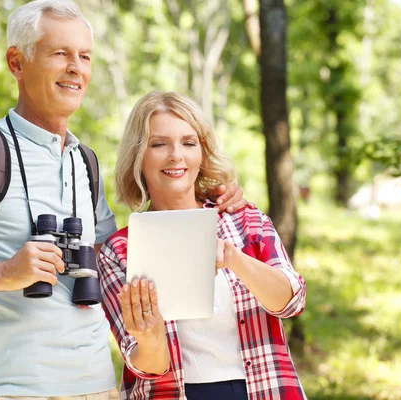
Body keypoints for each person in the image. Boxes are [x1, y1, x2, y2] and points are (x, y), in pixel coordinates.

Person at [0, 2, 247, 399]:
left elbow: (122, 262)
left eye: (84, 56)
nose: (76, 68)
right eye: (60, 53)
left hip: (97, 384)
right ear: (17, 62)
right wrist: (1, 275)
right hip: (8, 385)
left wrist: (208, 198)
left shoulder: (85, 163)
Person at [98, 91, 307, 400]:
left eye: (188, 142)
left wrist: (235, 259)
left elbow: (291, 301)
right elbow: (147, 366)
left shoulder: (243, 220)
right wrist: (150, 337)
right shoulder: (119, 251)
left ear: (202, 153)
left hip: (264, 389)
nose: (176, 156)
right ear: (138, 155)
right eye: (158, 144)